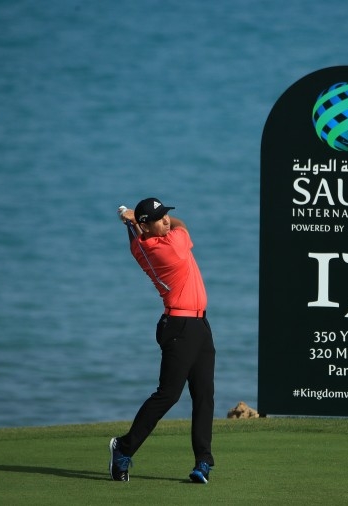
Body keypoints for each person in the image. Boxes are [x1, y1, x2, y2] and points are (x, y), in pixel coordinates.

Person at [109, 197, 215, 483]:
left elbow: (138, 232)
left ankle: (203, 461)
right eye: (160, 218)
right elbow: (183, 226)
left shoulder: (139, 245)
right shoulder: (171, 247)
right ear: (146, 225)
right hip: (181, 327)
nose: (167, 220)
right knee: (168, 395)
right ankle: (123, 447)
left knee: (203, 394)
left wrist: (132, 220)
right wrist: (132, 217)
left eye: (166, 215)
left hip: (196, 325)